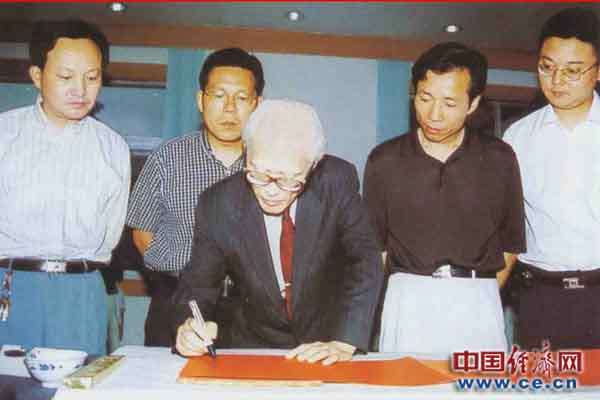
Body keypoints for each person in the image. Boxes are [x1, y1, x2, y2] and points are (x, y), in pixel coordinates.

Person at [173, 99, 383, 365]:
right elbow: (198, 284)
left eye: (288, 180)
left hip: (327, 341)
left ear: (313, 166)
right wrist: (188, 327)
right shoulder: (218, 203)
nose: (271, 191)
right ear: (246, 152)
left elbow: (365, 259)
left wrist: (345, 340)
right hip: (253, 346)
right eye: (259, 175)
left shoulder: (335, 181)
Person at [364, 42, 526, 355]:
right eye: (424, 98)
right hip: (407, 299)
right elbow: (375, 248)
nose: (434, 114)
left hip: (477, 299)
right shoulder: (384, 160)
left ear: (473, 103)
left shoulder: (500, 158)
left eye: (449, 103)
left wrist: (477, 290)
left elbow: (511, 244)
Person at [0, 19, 130, 355]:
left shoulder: (113, 147)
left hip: (82, 291)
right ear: (37, 76)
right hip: (11, 286)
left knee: (80, 382)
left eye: (92, 77)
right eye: (65, 76)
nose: (80, 90)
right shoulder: (4, 135)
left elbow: (111, 233)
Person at [126, 48, 263, 347]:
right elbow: (142, 234)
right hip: (176, 301)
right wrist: (185, 277)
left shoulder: (271, 163)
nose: (229, 108)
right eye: (219, 95)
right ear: (201, 100)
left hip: (251, 310)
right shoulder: (167, 157)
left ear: (257, 104)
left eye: (241, 98)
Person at [503, 8, 600, 350]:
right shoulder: (517, 137)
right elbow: (506, 227)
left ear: (597, 71)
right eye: (547, 67)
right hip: (540, 298)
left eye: (572, 70)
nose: (557, 80)